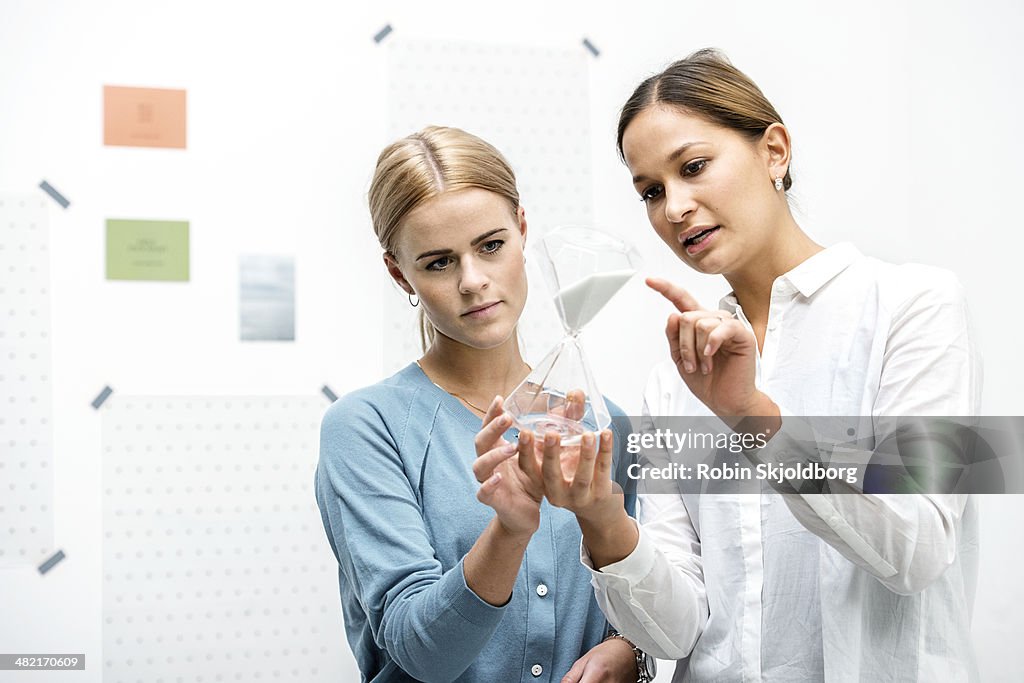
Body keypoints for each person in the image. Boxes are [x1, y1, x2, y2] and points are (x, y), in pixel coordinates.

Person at [531, 49, 981, 682]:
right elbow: (677, 630)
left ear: (775, 151)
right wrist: (602, 517)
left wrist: (754, 418)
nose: (675, 208)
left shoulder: (913, 307)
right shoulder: (674, 380)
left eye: (693, 167)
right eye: (651, 191)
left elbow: (920, 548)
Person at [314, 126, 642, 682]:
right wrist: (507, 532)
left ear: (522, 229)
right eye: (439, 262)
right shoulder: (368, 429)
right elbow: (421, 654)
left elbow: (645, 594)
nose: (473, 281)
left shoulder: (601, 422)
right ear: (400, 273)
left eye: (492, 246)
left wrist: (631, 648)